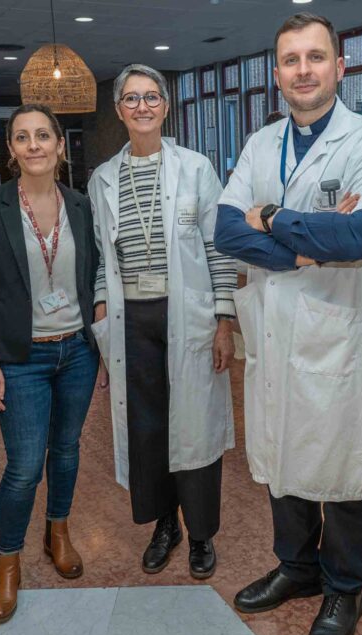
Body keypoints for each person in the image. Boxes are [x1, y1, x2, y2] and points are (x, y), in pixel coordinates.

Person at [215, 12, 362, 635]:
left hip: (338, 332)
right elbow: (225, 230)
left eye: (315, 57)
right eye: (291, 60)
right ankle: (296, 566)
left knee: (340, 462)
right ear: (277, 74)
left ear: (339, 67)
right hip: (274, 328)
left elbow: (357, 237)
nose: (303, 70)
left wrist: (269, 217)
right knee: (281, 450)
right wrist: (304, 243)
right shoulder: (260, 144)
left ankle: (345, 587)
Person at [89, 64, 236, 580]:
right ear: (118, 110)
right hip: (131, 321)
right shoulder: (103, 178)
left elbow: (219, 249)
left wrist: (224, 320)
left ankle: (201, 534)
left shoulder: (196, 168)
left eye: (151, 97)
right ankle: (165, 525)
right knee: (147, 429)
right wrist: (103, 322)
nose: (142, 107)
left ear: (166, 106)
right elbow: (102, 260)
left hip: (188, 315)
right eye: (131, 99)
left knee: (194, 428)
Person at [0, 104, 100, 624]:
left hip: (77, 351)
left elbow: (94, 277)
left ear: (60, 145)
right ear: (11, 150)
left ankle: (57, 532)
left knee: (65, 450)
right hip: (20, 358)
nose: (34, 144)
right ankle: (8, 562)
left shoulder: (81, 205)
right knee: (23, 466)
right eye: (23, 137)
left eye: (43, 135)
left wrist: (103, 342)